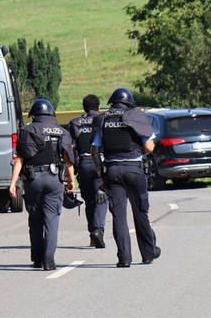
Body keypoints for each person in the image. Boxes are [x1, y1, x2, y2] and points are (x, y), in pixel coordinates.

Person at [91, 87, 161, 267]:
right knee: (141, 213)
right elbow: (150, 147)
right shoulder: (135, 116)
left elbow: (94, 149)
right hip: (134, 169)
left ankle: (124, 258)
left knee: (119, 216)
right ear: (129, 102)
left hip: (112, 171)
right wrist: (139, 152)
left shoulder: (104, 119)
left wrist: (100, 171)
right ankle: (148, 253)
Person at [9, 99, 75, 271]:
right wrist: (71, 180)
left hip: (33, 180)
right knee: (51, 220)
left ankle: (37, 259)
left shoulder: (26, 131)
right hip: (54, 179)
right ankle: (48, 260)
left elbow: (20, 159)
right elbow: (68, 160)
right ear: (51, 114)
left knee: (35, 219)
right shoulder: (61, 131)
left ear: (34, 114)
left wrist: (13, 183)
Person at [67, 94, 107, 248]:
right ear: (98, 107)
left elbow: (69, 148)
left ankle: (92, 234)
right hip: (99, 163)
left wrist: (70, 172)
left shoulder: (75, 123)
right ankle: (98, 230)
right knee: (102, 197)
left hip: (83, 165)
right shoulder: (103, 120)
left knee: (89, 201)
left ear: (84, 108)